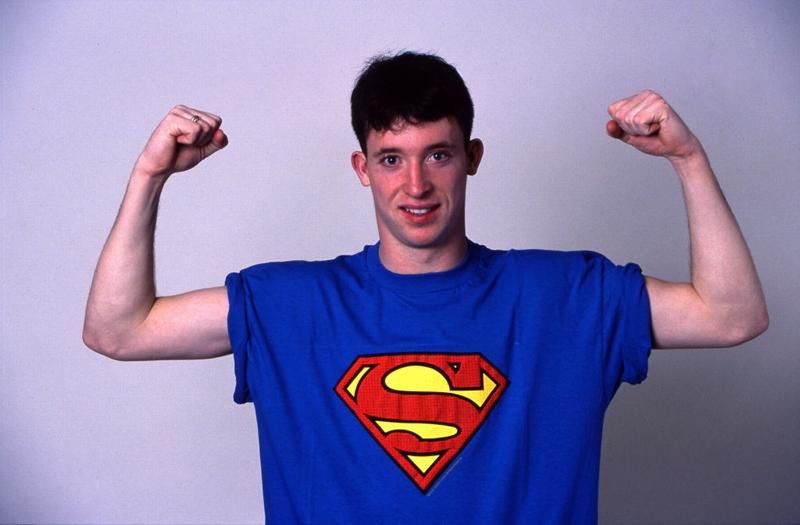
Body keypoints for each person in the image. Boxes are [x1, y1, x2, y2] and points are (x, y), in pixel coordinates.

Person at [83, 52, 768, 523]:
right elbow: (118, 329)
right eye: (391, 159)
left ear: (471, 158)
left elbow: (732, 315)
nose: (415, 185)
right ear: (362, 168)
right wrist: (149, 176)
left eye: (437, 154)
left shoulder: (567, 297)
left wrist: (688, 159)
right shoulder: (291, 305)